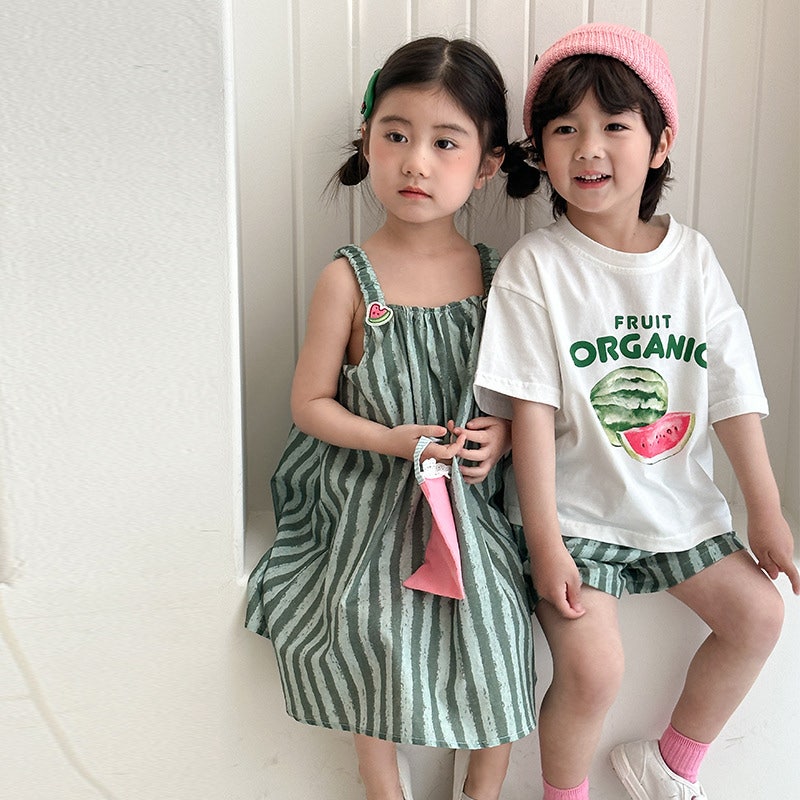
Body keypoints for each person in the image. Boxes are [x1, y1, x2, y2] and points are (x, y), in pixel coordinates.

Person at [473, 22, 800, 800]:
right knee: (594, 668)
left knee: (759, 617)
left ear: (660, 144)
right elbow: (529, 415)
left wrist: (766, 512)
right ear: (540, 152)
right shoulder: (535, 268)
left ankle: (671, 765)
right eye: (565, 129)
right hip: (575, 518)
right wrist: (545, 544)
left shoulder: (694, 261)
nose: (589, 148)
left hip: (677, 508)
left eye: (614, 125)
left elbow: (732, 392)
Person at [246, 37, 539, 800]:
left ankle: (483, 789)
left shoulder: (499, 278)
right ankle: (380, 784)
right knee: (369, 621)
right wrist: (390, 440)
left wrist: (504, 434)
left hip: (470, 503)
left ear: (487, 164)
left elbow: (525, 395)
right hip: (371, 496)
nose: (416, 163)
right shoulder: (349, 279)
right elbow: (309, 404)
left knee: (502, 624)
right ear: (368, 140)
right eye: (397, 136)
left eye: (445, 143)